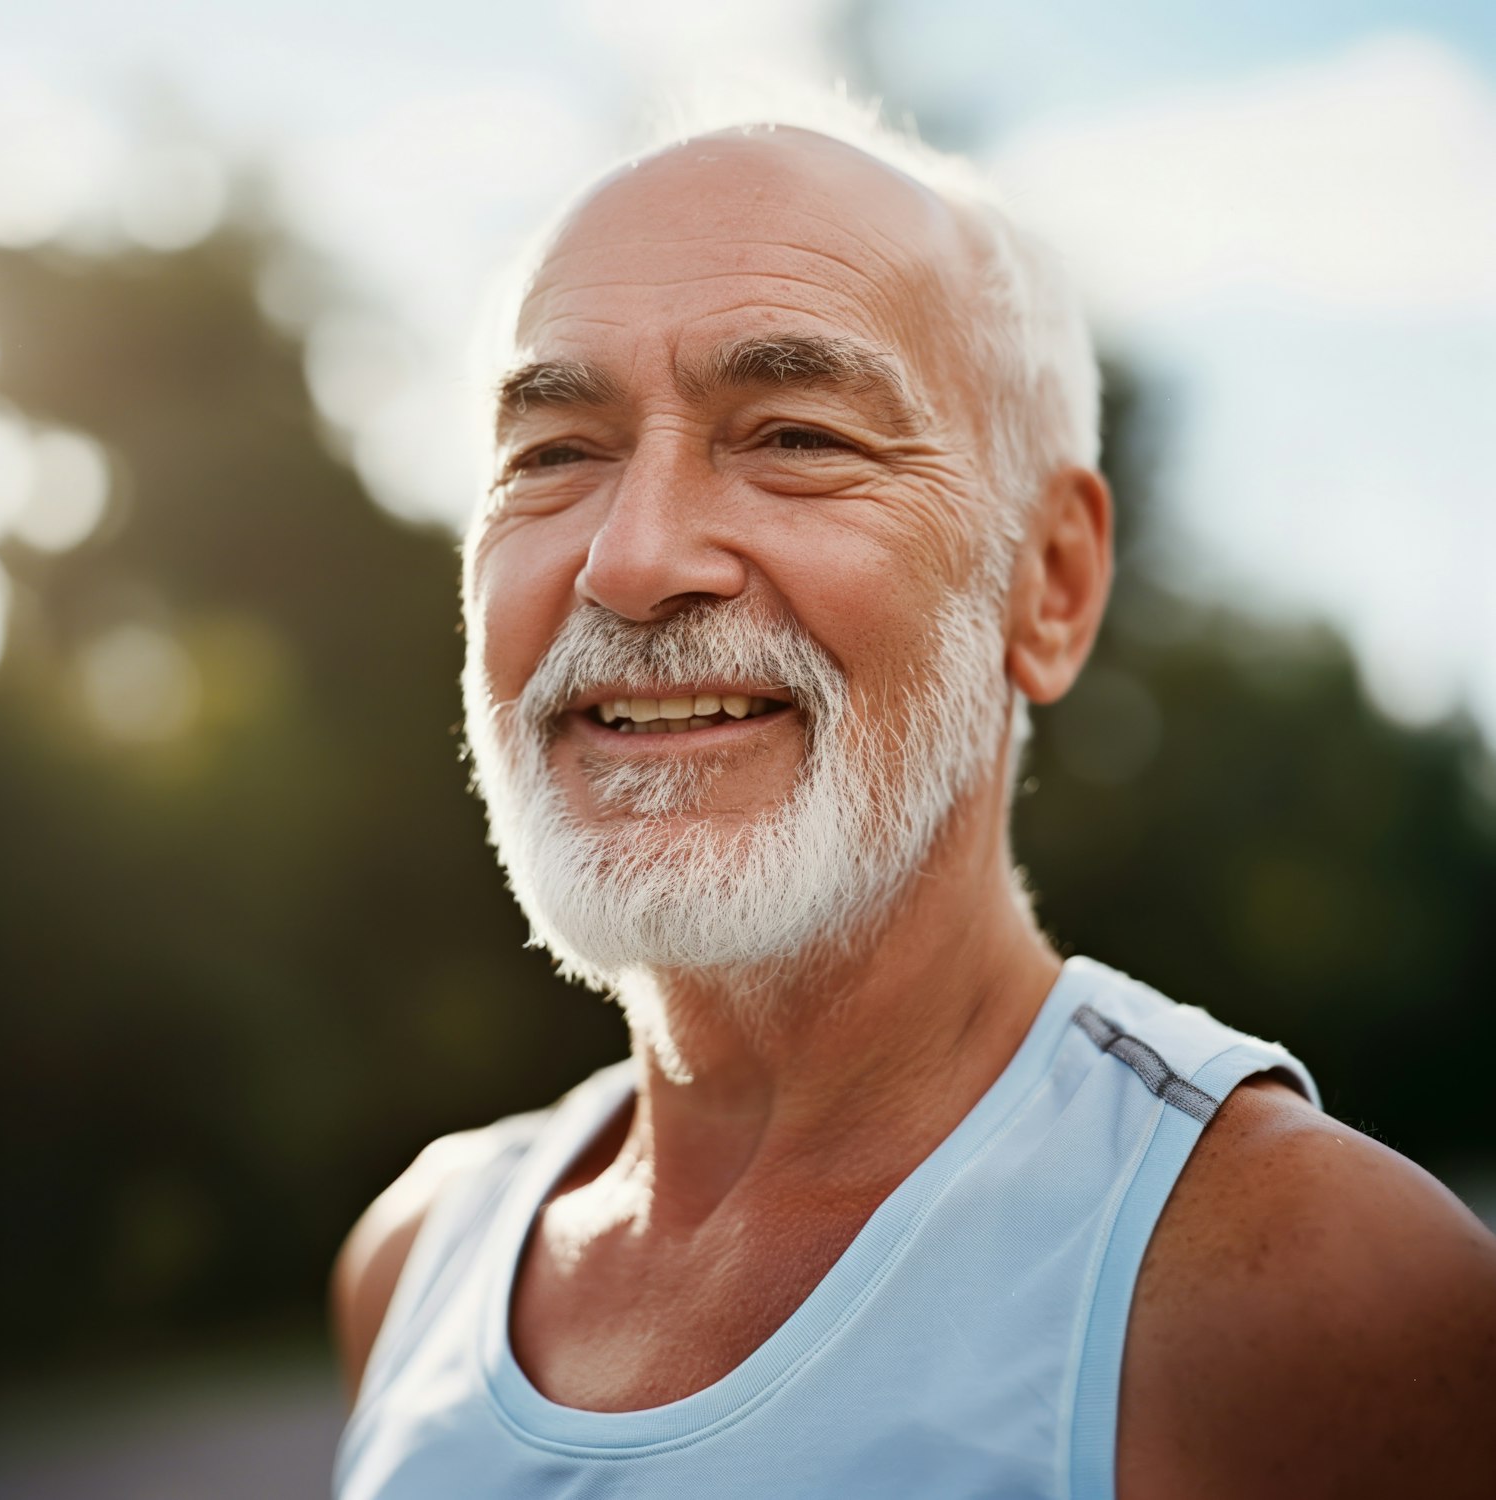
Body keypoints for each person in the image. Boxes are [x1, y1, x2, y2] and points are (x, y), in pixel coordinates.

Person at [330, 116, 1496, 1499]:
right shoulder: (416, 1258)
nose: (632, 560)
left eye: (796, 437)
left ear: (1050, 583)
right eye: (551, 453)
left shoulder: (1304, 1291)